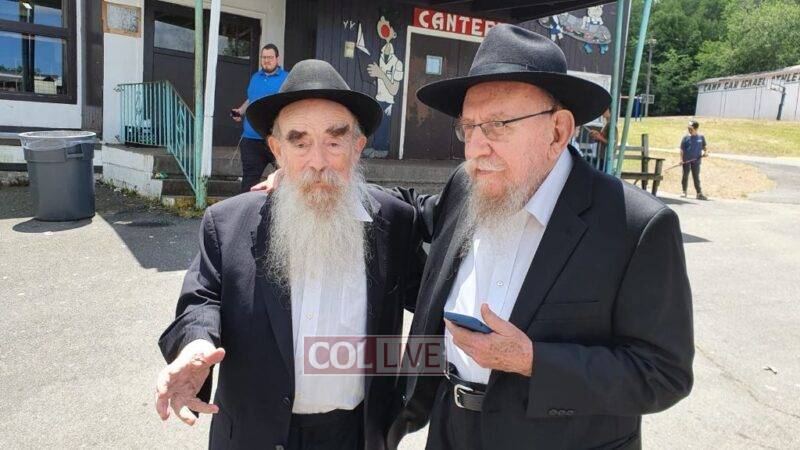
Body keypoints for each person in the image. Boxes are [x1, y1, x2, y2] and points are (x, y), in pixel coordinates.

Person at [253, 25, 695, 450]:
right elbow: (404, 207)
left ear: (558, 131)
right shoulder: (469, 185)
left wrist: (533, 360)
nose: (475, 149)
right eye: (469, 128)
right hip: (450, 429)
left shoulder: (634, 226)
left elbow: (664, 374)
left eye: (498, 125)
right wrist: (312, 179)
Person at [155, 59, 424, 450]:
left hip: (358, 435)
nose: (318, 161)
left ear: (357, 147)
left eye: (334, 141)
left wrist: (413, 389)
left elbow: (437, 305)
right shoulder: (227, 223)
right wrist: (196, 346)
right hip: (254, 435)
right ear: (277, 150)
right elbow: (202, 299)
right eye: (299, 142)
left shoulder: (394, 222)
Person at [231, 44, 289, 193]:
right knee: (249, 182)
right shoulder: (255, 78)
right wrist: (240, 111)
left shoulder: (287, 78)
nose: (266, 60)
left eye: (270, 57)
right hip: (251, 140)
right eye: (263, 57)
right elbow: (251, 99)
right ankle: (246, 207)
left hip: (277, 138)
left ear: (277, 58)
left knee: (285, 180)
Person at [680, 120, 708, 200]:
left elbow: (704, 147)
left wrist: (705, 152)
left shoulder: (701, 137)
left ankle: (699, 193)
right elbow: (681, 150)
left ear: (696, 129)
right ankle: (684, 191)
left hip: (696, 161)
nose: (689, 130)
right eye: (688, 128)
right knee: (685, 176)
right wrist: (681, 160)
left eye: (691, 128)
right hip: (686, 161)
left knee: (696, 177)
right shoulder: (685, 138)